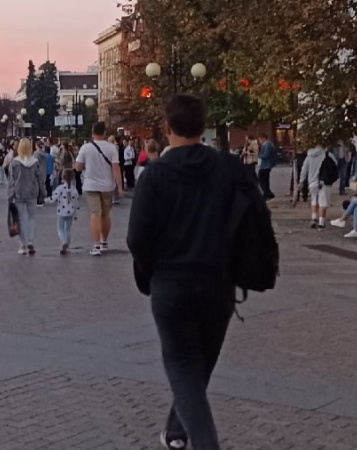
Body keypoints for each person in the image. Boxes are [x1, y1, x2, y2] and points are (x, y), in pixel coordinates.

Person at [127, 94, 245, 450]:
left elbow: (137, 238)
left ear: (167, 128)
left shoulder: (155, 175)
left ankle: (203, 442)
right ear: (202, 124)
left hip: (171, 285)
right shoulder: (228, 170)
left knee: (182, 365)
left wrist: (150, 276)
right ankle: (176, 431)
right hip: (218, 284)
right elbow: (247, 225)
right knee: (201, 364)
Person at [75, 121, 122, 256]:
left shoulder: (85, 148)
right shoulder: (111, 148)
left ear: (92, 133)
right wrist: (120, 187)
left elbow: (78, 167)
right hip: (107, 186)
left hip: (90, 185)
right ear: (104, 133)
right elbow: (116, 168)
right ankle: (104, 242)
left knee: (95, 214)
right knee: (105, 214)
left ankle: (95, 246)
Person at [7, 138, 46, 255]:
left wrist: (10, 195)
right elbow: (40, 179)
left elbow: (11, 181)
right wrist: (42, 193)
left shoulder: (14, 163)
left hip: (18, 193)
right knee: (31, 217)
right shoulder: (35, 162)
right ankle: (31, 241)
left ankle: (22, 245)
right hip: (32, 193)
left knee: (21, 218)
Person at [299, 144, 333, 229]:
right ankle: (321, 222)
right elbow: (334, 166)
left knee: (314, 200)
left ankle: (314, 218)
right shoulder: (327, 155)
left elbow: (304, 169)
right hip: (324, 182)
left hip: (312, 182)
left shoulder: (309, 156)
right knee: (323, 203)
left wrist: (301, 181)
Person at [49, 168, 79, 255]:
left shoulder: (60, 188)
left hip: (61, 211)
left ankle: (63, 242)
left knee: (60, 229)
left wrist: (45, 200)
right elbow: (76, 201)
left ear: (62, 177)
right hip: (71, 211)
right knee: (68, 229)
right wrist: (76, 213)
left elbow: (53, 198)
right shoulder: (74, 189)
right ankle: (68, 244)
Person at [257, 132, 276, 200]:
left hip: (266, 165)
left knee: (261, 178)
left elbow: (266, 155)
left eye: (260, 139)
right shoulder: (267, 144)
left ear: (263, 138)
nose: (259, 141)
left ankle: (267, 193)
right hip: (265, 164)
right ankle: (267, 193)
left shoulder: (268, 144)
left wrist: (259, 155)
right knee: (264, 179)